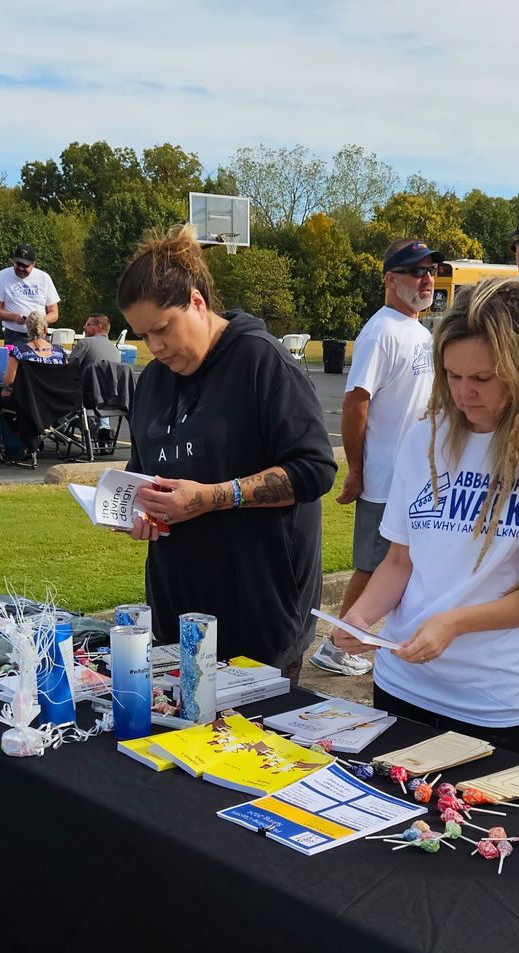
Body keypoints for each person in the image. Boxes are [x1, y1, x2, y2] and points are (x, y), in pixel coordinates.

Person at [330, 280, 519, 754]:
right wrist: (360, 618)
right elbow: (398, 562)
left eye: (482, 378)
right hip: (402, 684)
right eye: (452, 376)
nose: (463, 393)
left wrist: (453, 623)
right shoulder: (424, 439)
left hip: (495, 702)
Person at [118, 225, 336, 672]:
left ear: (197, 302)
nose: (155, 347)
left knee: (252, 743)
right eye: (143, 336)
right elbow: (143, 469)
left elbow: (314, 470)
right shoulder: (154, 382)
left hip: (259, 613)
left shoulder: (262, 362)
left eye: (162, 329)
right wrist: (137, 510)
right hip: (177, 613)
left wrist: (212, 497)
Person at [309, 237, 439, 679]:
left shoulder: (420, 332)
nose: (427, 279)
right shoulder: (381, 331)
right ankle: (337, 644)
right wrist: (357, 470)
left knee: (404, 564)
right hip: (386, 477)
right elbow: (355, 401)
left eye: (431, 271)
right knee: (373, 565)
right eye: (416, 271)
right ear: (390, 279)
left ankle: (361, 638)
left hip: (419, 476)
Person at [0, 312, 70, 465]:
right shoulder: (60, 352)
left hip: (30, 403)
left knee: (3, 399)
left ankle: (14, 447)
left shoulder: (19, 352)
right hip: (56, 401)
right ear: (45, 330)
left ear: (28, 330)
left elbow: (9, 380)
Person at [0, 243, 59, 349]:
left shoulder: (44, 278)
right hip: (14, 336)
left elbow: (54, 313)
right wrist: (14, 317)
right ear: (13, 261)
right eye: (18, 264)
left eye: (25, 266)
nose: (21, 268)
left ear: (33, 264)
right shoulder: (3, 276)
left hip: (39, 335)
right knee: (15, 365)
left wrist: (39, 321)